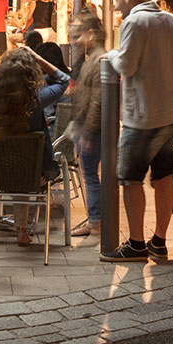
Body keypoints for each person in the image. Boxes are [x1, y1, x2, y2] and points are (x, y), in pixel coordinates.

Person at [103, 0, 173, 264]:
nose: (115, 7)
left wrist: (110, 54)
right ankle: (159, 241)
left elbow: (125, 64)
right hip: (172, 112)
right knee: (164, 175)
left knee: (130, 178)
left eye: (116, 1)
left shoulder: (134, 22)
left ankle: (136, 243)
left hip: (143, 116)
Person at [0, 46, 68, 246]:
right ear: (31, 74)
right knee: (26, 166)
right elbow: (64, 80)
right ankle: (21, 230)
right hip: (36, 175)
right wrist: (38, 57)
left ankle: (5, 224)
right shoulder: (37, 100)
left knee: (11, 163)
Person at [66, 13, 107, 239]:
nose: (76, 40)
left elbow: (98, 99)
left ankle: (96, 221)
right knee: (88, 174)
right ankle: (95, 219)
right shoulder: (93, 57)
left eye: (79, 35)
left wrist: (89, 131)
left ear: (91, 34)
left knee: (90, 174)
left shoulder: (99, 59)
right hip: (87, 126)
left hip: (92, 129)